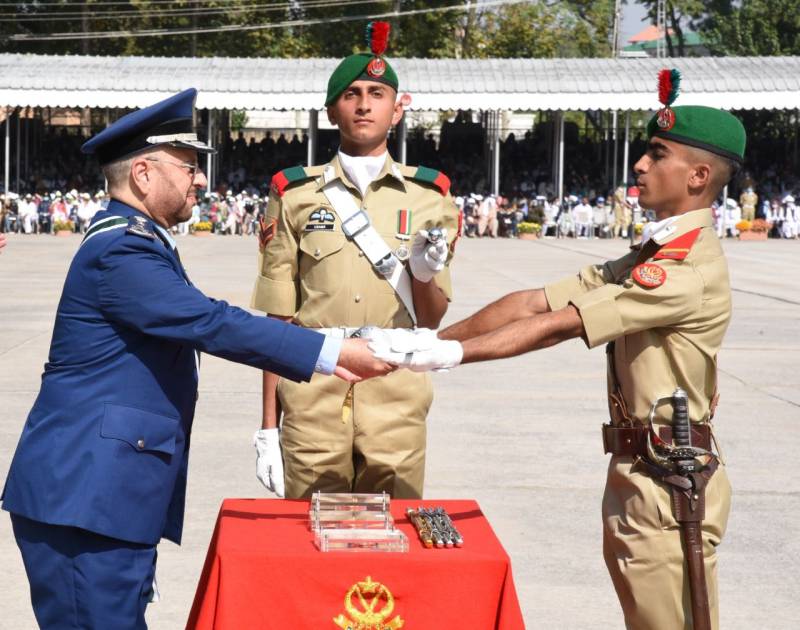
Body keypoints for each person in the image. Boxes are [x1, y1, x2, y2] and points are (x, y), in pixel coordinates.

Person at [1, 88, 390, 630]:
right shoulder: (121, 250)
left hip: (103, 496)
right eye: (188, 166)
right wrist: (328, 351)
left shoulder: (137, 240)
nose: (201, 180)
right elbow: (210, 322)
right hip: (86, 499)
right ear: (143, 174)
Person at [373, 82, 744, 630]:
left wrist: (451, 354)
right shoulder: (652, 254)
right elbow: (535, 301)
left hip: (671, 485)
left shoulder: (687, 270)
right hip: (643, 472)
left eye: (657, 154)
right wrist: (432, 339)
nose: (639, 165)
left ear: (698, 177)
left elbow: (560, 326)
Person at [251, 21, 459, 500]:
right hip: (312, 391)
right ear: (331, 111)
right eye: (352, 94)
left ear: (397, 110)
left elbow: (431, 317)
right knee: (311, 544)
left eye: (378, 93)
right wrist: (268, 427)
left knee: (395, 543)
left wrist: (424, 275)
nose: (365, 104)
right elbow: (277, 320)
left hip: (398, 392)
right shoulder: (293, 194)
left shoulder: (432, 197)